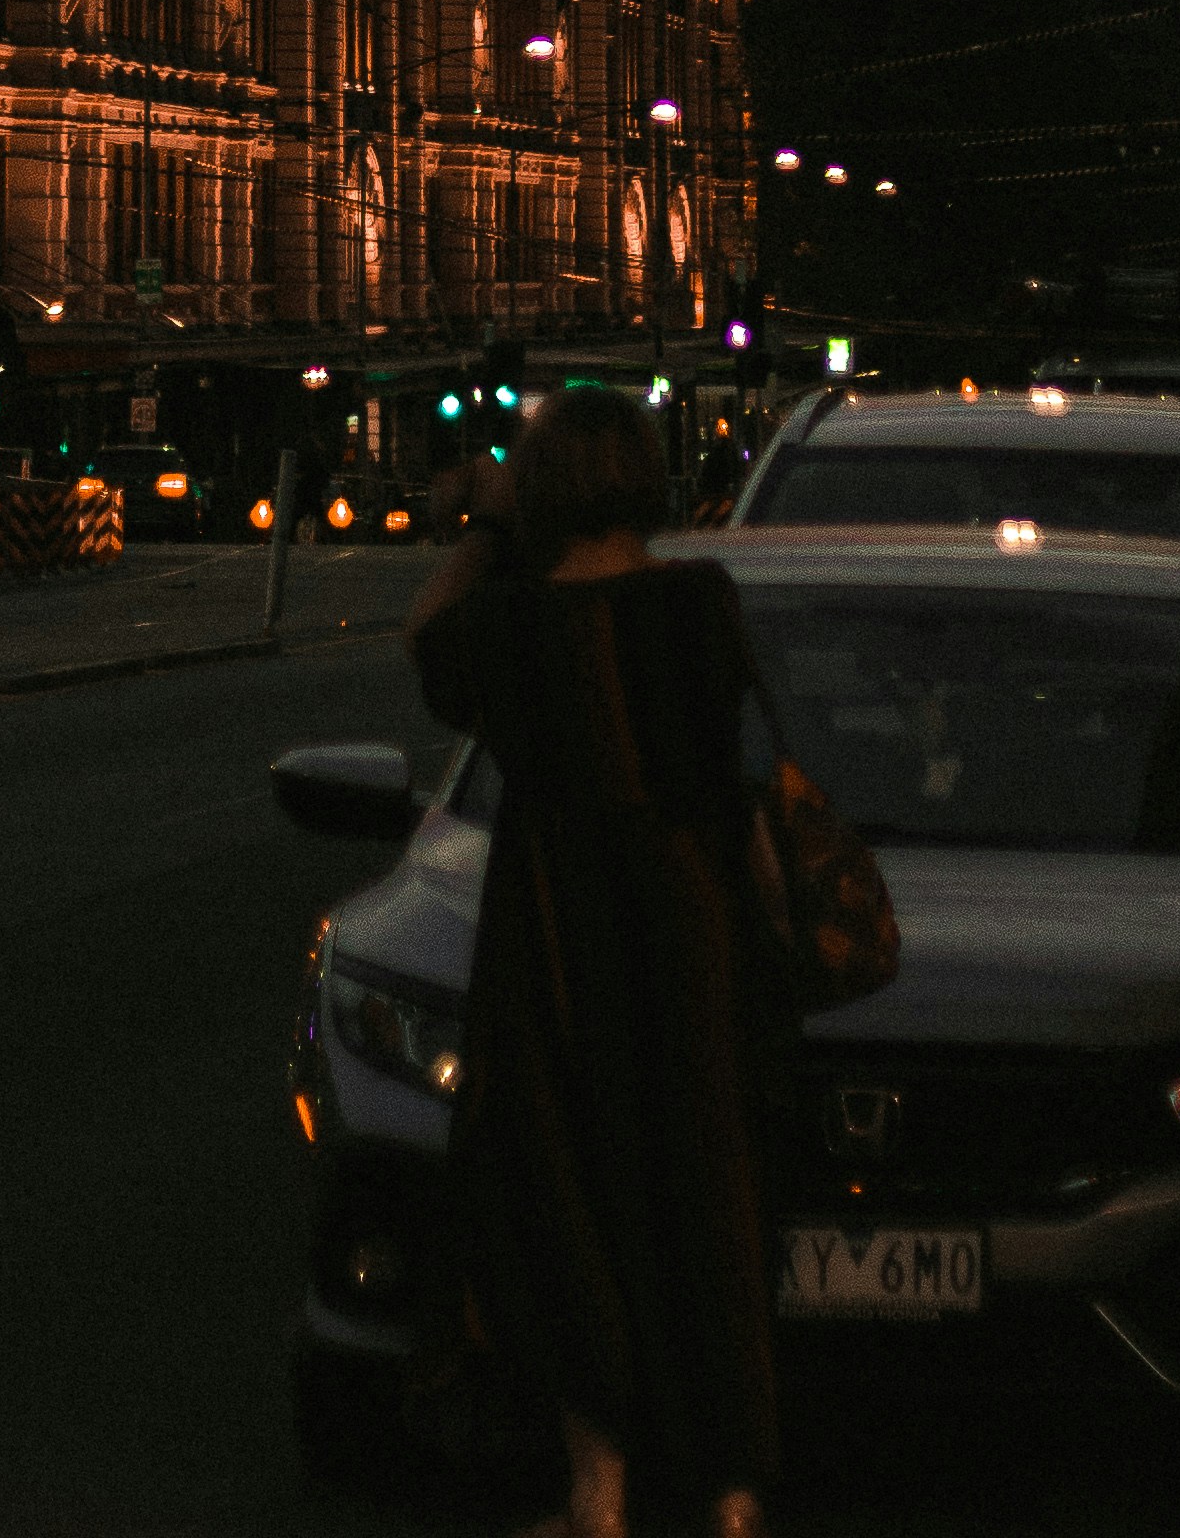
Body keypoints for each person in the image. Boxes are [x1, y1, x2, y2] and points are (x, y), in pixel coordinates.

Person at [407, 385, 779, 1538]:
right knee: (703, 1194)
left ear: (547, 488)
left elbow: (426, 641)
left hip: (560, 938)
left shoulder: (511, 627)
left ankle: (598, 1489)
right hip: (694, 928)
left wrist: (483, 522)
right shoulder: (701, 602)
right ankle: (727, 1490)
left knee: (564, 1197)